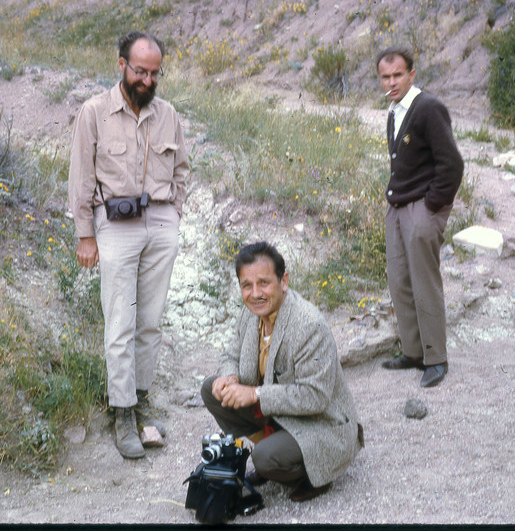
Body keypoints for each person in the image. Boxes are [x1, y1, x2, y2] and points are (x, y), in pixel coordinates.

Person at [68, 31, 189, 458]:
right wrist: (86, 234)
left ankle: (142, 399)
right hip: (115, 224)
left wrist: (174, 213)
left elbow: (182, 170)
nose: (148, 80)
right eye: (140, 70)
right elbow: (81, 177)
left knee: (151, 320)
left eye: (155, 73)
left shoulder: (169, 114)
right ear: (121, 65)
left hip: (159, 223)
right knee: (120, 320)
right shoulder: (94, 112)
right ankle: (121, 412)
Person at [201, 242, 364, 502]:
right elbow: (231, 355)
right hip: (283, 414)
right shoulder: (250, 312)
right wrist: (229, 377)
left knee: (264, 458)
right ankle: (276, 448)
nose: (255, 293)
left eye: (264, 283)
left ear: (283, 281)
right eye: (247, 285)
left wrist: (254, 394)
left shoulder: (308, 325)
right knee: (212, 389)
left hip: (323, 424)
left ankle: (315, 474)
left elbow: (315, 397)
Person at [375, 46, 464, 388]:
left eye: (398, 75)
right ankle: (413, 352)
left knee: (425, 283)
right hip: (397, 207)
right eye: (385, 76)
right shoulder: (394, 111)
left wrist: (433, 206)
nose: (392, 82)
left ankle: (436, 358)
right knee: (399, 281)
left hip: (421, 209)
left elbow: (452, 164)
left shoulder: (428, 107)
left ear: (412, 74)